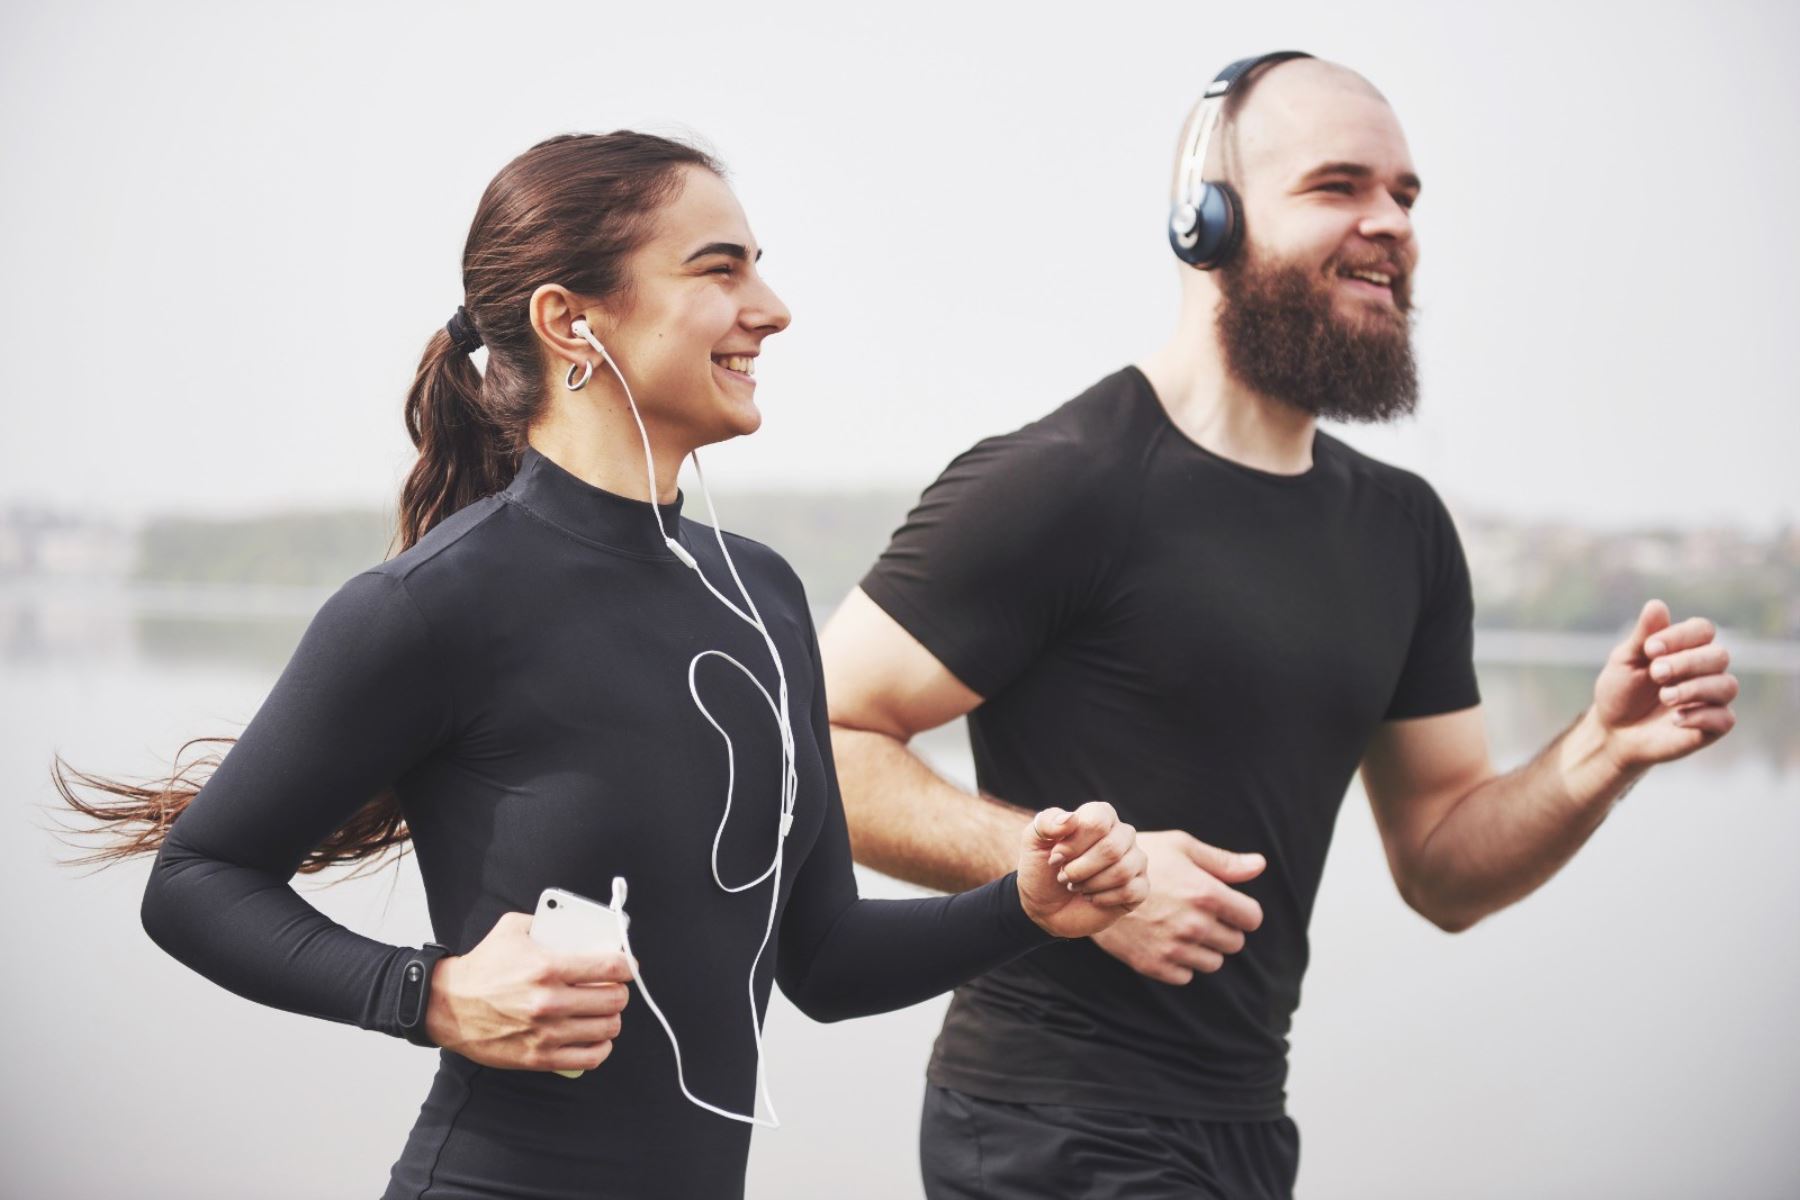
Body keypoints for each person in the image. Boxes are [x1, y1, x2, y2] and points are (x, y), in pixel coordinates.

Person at [54, 131, 1150, 1200]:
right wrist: (428, 993)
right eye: (720, 270)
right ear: (570, 319)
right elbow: (196, 883)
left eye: (760, 268)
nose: (770, 310)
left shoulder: (762, 596)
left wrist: (1027, 905)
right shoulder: (433, 609)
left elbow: (821, 960)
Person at [819, 53, 1739, 1200]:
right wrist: (1076, 872)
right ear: (1206, 222)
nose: (1389, 223)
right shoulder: (1063, 483)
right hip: (1048, 1123)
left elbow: (1447, 868)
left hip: (1248, 1128)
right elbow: (823, 743)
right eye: (1339, 186)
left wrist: (1599, 753)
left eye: (1405, 196)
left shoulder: (1401, 529)